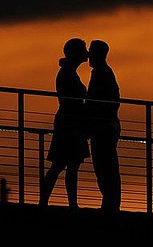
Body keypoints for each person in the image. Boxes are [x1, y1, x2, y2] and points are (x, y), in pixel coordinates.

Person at [39, 38, 90, 211]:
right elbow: (71, 101)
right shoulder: (68, 73)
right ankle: (52, 203)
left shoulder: (68, 72)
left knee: (66, 165)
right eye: (83, 50)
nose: (87, 53)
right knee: (62, 165)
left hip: (69, 121)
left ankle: (57, 203)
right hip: (70, 122)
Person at [86, 39, 122, 213]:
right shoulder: (105, 72)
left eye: (91, 52)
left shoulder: (101, 73)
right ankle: (110, 203)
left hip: (102, 127)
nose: (88, 55)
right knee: (106, 168)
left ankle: (110, 205)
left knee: (104, 167)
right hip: (106, 126)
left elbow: (97, 102)